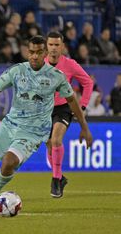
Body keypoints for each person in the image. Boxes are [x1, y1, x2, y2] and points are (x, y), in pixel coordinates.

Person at [0, 35, 92, 215]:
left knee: (9, 162)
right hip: (9, 126)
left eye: (39, 53)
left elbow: (72, 101)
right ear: (27, 52)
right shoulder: (17, 70)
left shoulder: (57, 76)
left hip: (33, 132)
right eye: (31, 52)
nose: (34, 56)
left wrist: (84, 127)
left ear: (44, 53)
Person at [45, 31, 93, 198]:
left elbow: (88, 82)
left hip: (63, 108)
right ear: (46, 46)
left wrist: (83, 106)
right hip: (44, 110)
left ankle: (56, 179)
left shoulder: (70, 65)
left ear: (62, 47)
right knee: (49, 144)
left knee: (56, 140)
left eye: (57, 45)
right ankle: (60, 177)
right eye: (50, 44)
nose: (53, 48)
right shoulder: (39, 64)